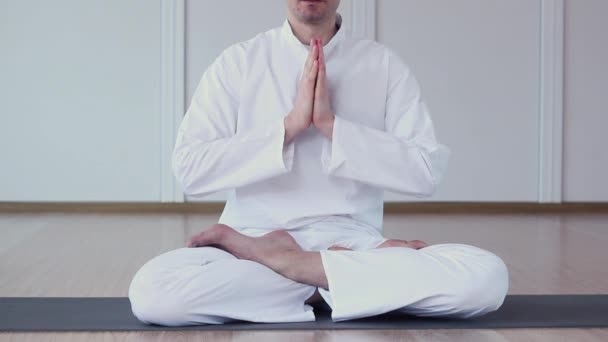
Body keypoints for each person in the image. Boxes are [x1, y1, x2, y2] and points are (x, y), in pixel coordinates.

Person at [128, 0, 509, 326]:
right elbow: (190, 170)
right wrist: (290, 127)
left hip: (350, 242)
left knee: (486, 279)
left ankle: (294, 267)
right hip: (250, 241)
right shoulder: (238, 63)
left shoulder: (383, 65)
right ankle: (330, 280)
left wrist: (332, 127)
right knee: (154, 293)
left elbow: (426, 172)